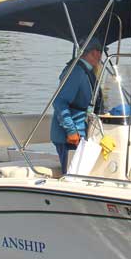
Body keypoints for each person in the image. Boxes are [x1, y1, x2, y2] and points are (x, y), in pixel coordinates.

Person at [51, 38, 102, 173]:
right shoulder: (76, 72)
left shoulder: (87, 71)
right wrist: (71, 131)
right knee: (72, 176)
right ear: (95, 53)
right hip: (71, 138)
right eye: (101, 52)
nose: (101, 57)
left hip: (82, 134)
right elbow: (59, 102)